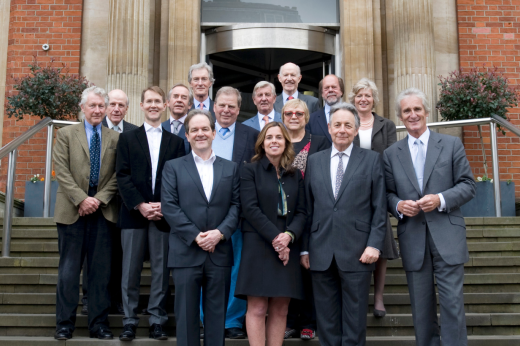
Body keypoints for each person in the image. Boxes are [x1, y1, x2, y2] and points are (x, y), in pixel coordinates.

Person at [384, 88, 476, 346]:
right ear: (400, 117)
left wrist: (440, 199)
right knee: (421, 309)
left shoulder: (451, 144)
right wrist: (400, 205)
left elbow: (468, 185)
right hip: (413, 237)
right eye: (406, 111)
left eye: (417, 109)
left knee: (452, 305)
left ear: (426, 112)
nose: (412, 115)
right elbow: (388, 194)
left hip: (447, 235)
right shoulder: (391, 154)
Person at [303, 102, 386, 346]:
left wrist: (374, 245)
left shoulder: (371, 160)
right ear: (329, 128)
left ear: (356, 130)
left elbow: (379, 208)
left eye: (348, 125)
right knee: (326, 321)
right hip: (320, 250)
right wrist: (305, 248)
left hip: (358, 251)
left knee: (355, 319)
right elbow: (307, 209)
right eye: (337, 124)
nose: (342, 129)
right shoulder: (314, 161)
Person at [162, 109, 240, 346]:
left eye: (205, 128)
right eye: (194, 130)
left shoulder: (231, 168)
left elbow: (237, 206)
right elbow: (170, 207)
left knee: (217, 319)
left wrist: (219, 233)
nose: (200, 134)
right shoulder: (173, 167)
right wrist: (196, 236)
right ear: (187, 135)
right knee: (185, 318)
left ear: (214, 133)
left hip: (219, 252)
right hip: (186, 253)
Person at [116, 86, 185, 341]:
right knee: (130, 270)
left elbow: (178, 178)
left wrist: (163, 206)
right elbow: (121, 176)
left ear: (165, 105)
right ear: (142, 105)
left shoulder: (176, 143)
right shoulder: (127, 138)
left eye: (158, 101)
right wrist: (141, 204)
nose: (154, 105)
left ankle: (157, 319)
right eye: (149, 101)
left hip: (163, 216)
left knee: (160, 270)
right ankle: (129, 320)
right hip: (134, 214)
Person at [52, 86, 120, 340]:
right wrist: (81, 199)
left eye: (101, 106)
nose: (98, 110)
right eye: (92, 106)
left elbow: (117, 176)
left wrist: (98, 200)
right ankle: (64, 324)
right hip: (72, 211)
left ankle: (98, 324)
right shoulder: (67, 134)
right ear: (82, 108)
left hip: (103, 213)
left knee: (100, 271)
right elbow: (62, 170)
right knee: (69, 270)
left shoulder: (114, 138)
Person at [235, 122, 308, 346]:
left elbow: (303, 211)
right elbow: (249, 208)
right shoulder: (249, 170)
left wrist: (289, 236)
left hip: (288, 243)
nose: (274, 141)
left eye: (279, 137)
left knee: (281, 307)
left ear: (286, 142)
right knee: (257, 307)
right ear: (262, 143)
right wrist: (277, 239)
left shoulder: (295, 174)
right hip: (258, 243)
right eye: (269, 137)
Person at [199, 86, 259, 339]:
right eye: (221, 105)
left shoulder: (252, 135)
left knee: (236, 270)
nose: (226, 110)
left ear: (239, 109)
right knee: (203, 269)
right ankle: (204, 319)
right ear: (214, 107)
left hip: (240, 215)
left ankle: (232, 320)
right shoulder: (201, 132)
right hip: (203, 215)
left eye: (231, 106)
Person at [80, 89, 138, 317]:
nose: (116, 109)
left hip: (123, 205)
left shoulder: (134, 132)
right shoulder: (94, 128)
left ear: (127, 108)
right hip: (96, 202)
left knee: (119, 254)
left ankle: (117, 299)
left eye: (121, 105)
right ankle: (88, 297)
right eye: (112, 104)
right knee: (92, 253)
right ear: (105, 106)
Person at [349, 78, 399, 317]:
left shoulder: (386, 124)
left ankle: (378, 297)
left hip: (378, 187)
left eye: (367, 95)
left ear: (373, 99)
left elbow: (391, 157)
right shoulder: (348, 121)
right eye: (359, 95)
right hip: (353, 188)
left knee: (380, 243)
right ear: (354, 99)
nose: (363, 99)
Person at [281, 98, 329, 340]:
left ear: (307, 117)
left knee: (309, 270)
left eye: (299, 113)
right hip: (283, 218)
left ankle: (309, 321)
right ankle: (289, 321)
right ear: (282, 116)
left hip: (313, 213)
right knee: (287, 271)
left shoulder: (319, 142)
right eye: (288, 113)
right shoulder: (277, 141)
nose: (294, 117)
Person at [306, 74, 344, 144]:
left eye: (334, 87)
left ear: (341, 91)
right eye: (326, 88)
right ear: (322, 94)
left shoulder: (353, 115)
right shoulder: (311, 120)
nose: (330, 90)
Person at [162, 83, 193, 154]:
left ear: (190, 105)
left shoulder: (195, 128)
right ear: (168, 102)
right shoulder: (160, 128)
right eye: (175, 96)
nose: (179, 100)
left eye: (184, 97)